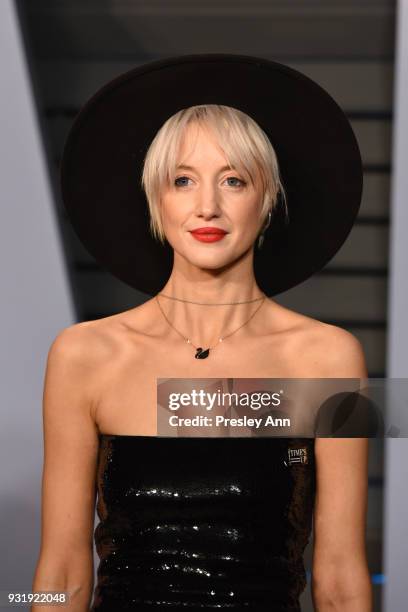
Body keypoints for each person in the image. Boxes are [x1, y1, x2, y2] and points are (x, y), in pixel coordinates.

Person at [31, 56, 372, 611]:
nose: (206, 205)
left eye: (233, 180)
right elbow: (60, 573)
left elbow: (340, 576)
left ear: (267, 201)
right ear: (155, 199)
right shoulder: (84, 355)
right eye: (182, 180)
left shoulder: (329, 357)